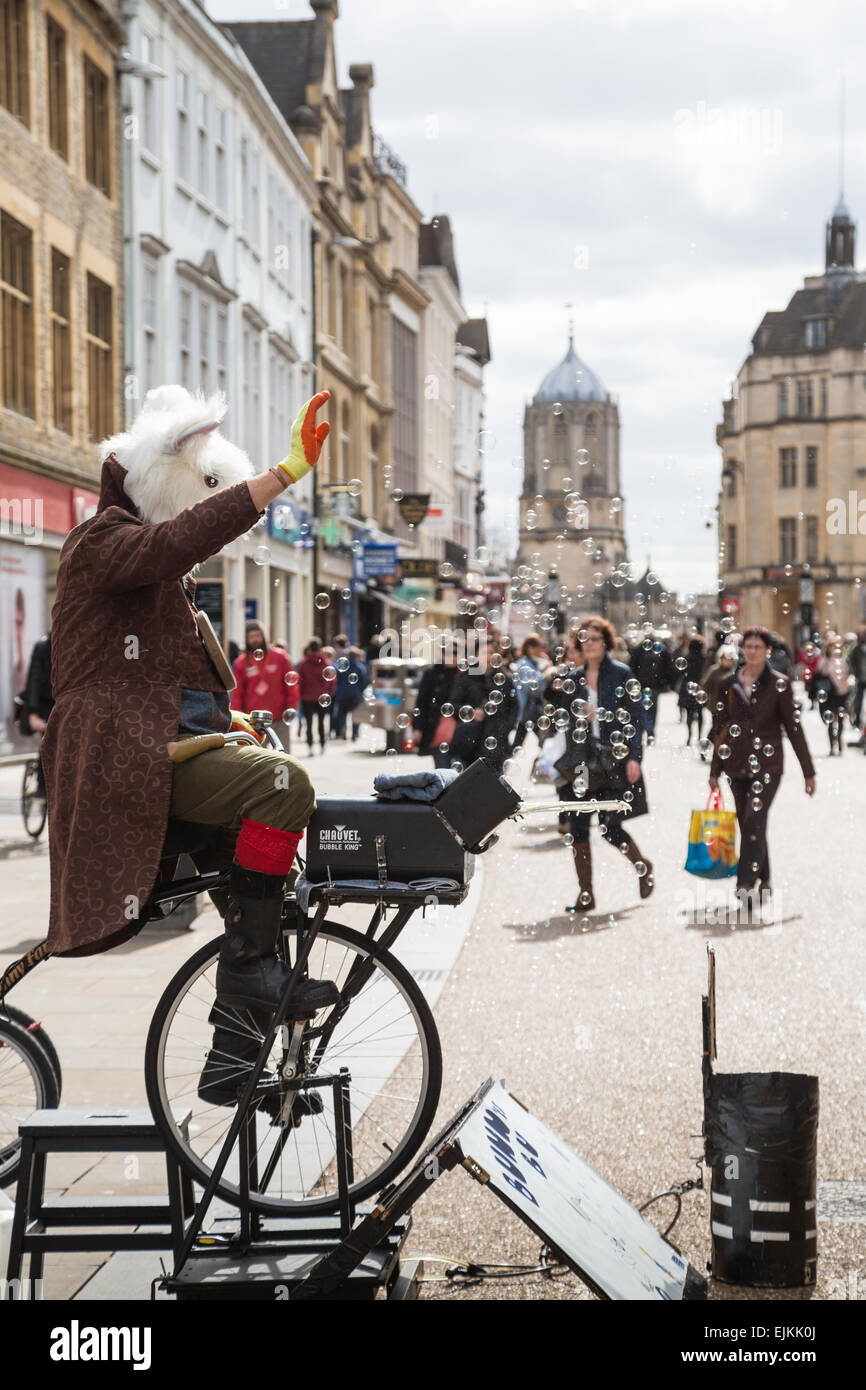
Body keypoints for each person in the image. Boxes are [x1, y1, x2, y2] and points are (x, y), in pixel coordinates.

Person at [42, 383, 339, 1108]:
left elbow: (155, 677)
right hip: (122, 768)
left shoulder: (142, 567)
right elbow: (176, 539)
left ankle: (235, 1063)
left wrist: (221, 725)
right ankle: (251, 979)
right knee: (285, 785)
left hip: (146, 751)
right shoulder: (102, 540)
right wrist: (280, 475)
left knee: (254, 911)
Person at [551, 617, 653, 912]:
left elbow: (635, 717)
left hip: (612, 761)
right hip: (581, 762)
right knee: (579, 828)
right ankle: (586, 894)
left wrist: (635, 757)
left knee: (611, 828)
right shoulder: (574, 678)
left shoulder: (622, 674)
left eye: (595, 638)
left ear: (606, 642)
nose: (589, 643)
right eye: (585, 638)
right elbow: (562, 717)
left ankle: (642, 865)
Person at [709, 625, 815, 900]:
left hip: (768, 765)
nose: (753, 652)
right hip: (735, 763)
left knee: (754, 820)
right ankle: (764, 876)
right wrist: (714, 771)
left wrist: (808, 772)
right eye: (748, 646)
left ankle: (744, 883)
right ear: (742, 650)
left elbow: (793, 729)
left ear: (768, 651)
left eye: (758, 647)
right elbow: (719, 728)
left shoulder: (779, 683)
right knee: (748, 824)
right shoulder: (726, 684)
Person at [448, 644, 516, 772]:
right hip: (470, 740)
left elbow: (513, 707)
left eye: (491, 652)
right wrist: (471, 712)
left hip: (497, 738)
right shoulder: (467, 677)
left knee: (494, 780)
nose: (488, 656)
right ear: (477, 656)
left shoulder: (504, 680)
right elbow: (454, 704)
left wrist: (506, 727)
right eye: (484, 652)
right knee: (471, 780)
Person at [230, 623, 298, 747]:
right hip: (253, 720)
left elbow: (291, 684)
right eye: (251, 636)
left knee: (283, 756)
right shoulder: (241, 663)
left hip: (279, 717)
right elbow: (237, 693)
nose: (255, 639)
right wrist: (237, 716)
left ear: (264, 636)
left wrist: (291, 707)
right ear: (246, 639)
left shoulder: (279, 656)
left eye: (258, 635)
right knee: (257, 759)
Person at [411, 648, 461, 768]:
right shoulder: (431, 673)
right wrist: (417, 727)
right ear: (442, 655)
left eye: (456, 653)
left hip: (461, 730)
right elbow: (422, 702)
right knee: (442, 770)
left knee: (461, 774)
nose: (452, 657)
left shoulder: (466, 674)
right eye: (448, 653)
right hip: (437, 728)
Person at [629, 629, 675, 744]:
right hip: (654, 685)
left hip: (643, 684)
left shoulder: (639, 649)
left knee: (645, 709)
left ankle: (648, 729)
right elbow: (669, 667)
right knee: (652, 709)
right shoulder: (660, 649)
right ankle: (650, 729)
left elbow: (632, 666)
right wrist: (668, 683)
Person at [23, 632, 53, 794]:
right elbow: (33, 682)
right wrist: (33, 713)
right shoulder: (43, 647)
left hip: (59, 699)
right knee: (47, 740)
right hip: (42, 703)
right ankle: (42, 786)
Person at [814, 635, 853, 756]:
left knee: (841, 720)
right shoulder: (824, 661)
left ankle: (839, 743)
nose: (835, 648)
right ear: (828, 648)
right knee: (831, 721)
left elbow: (851, 673)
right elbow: (817, 678)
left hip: (843, 693)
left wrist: (850, 680)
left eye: (837, 646)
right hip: (830, 695)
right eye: (832, 645)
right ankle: (832, 747)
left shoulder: (845, 660)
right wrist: (822, 673)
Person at [510, 634, 549, 752]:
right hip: (527, 708)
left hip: (529, 709)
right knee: (522, 740)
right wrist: (547, 674)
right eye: (539, 647)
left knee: (520, 740)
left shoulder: (530, 663)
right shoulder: (525, 664)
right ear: (530, 647)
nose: (541, 650)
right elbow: (533, 687)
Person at [297, 638, 331, 754]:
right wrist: (329, 693)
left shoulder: (304, 663)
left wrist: (300, 694)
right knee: (321, 722)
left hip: (307, 697)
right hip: (322, 696)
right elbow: (331, 680)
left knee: (309, 723)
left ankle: (310, 746)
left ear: (309, 648)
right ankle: (322, 744)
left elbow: (300, 681)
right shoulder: (325, 662)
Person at [330, 634, 367, 740]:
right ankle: (355, 733)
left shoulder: (342, 666)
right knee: (355, 714)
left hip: (342, 693)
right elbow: (364, 681)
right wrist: (360, 690)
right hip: (355, 693)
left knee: (342, 713)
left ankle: (343, 729)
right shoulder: (360, 667)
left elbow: (335, 677)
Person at [677, 635, 707, 747]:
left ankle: (690, 736)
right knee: (700, 713)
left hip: (687, 687)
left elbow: (680, 673)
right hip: (700, 687)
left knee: (689, 714)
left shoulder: (686, 657)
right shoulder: (704, 658)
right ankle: (699, 736)